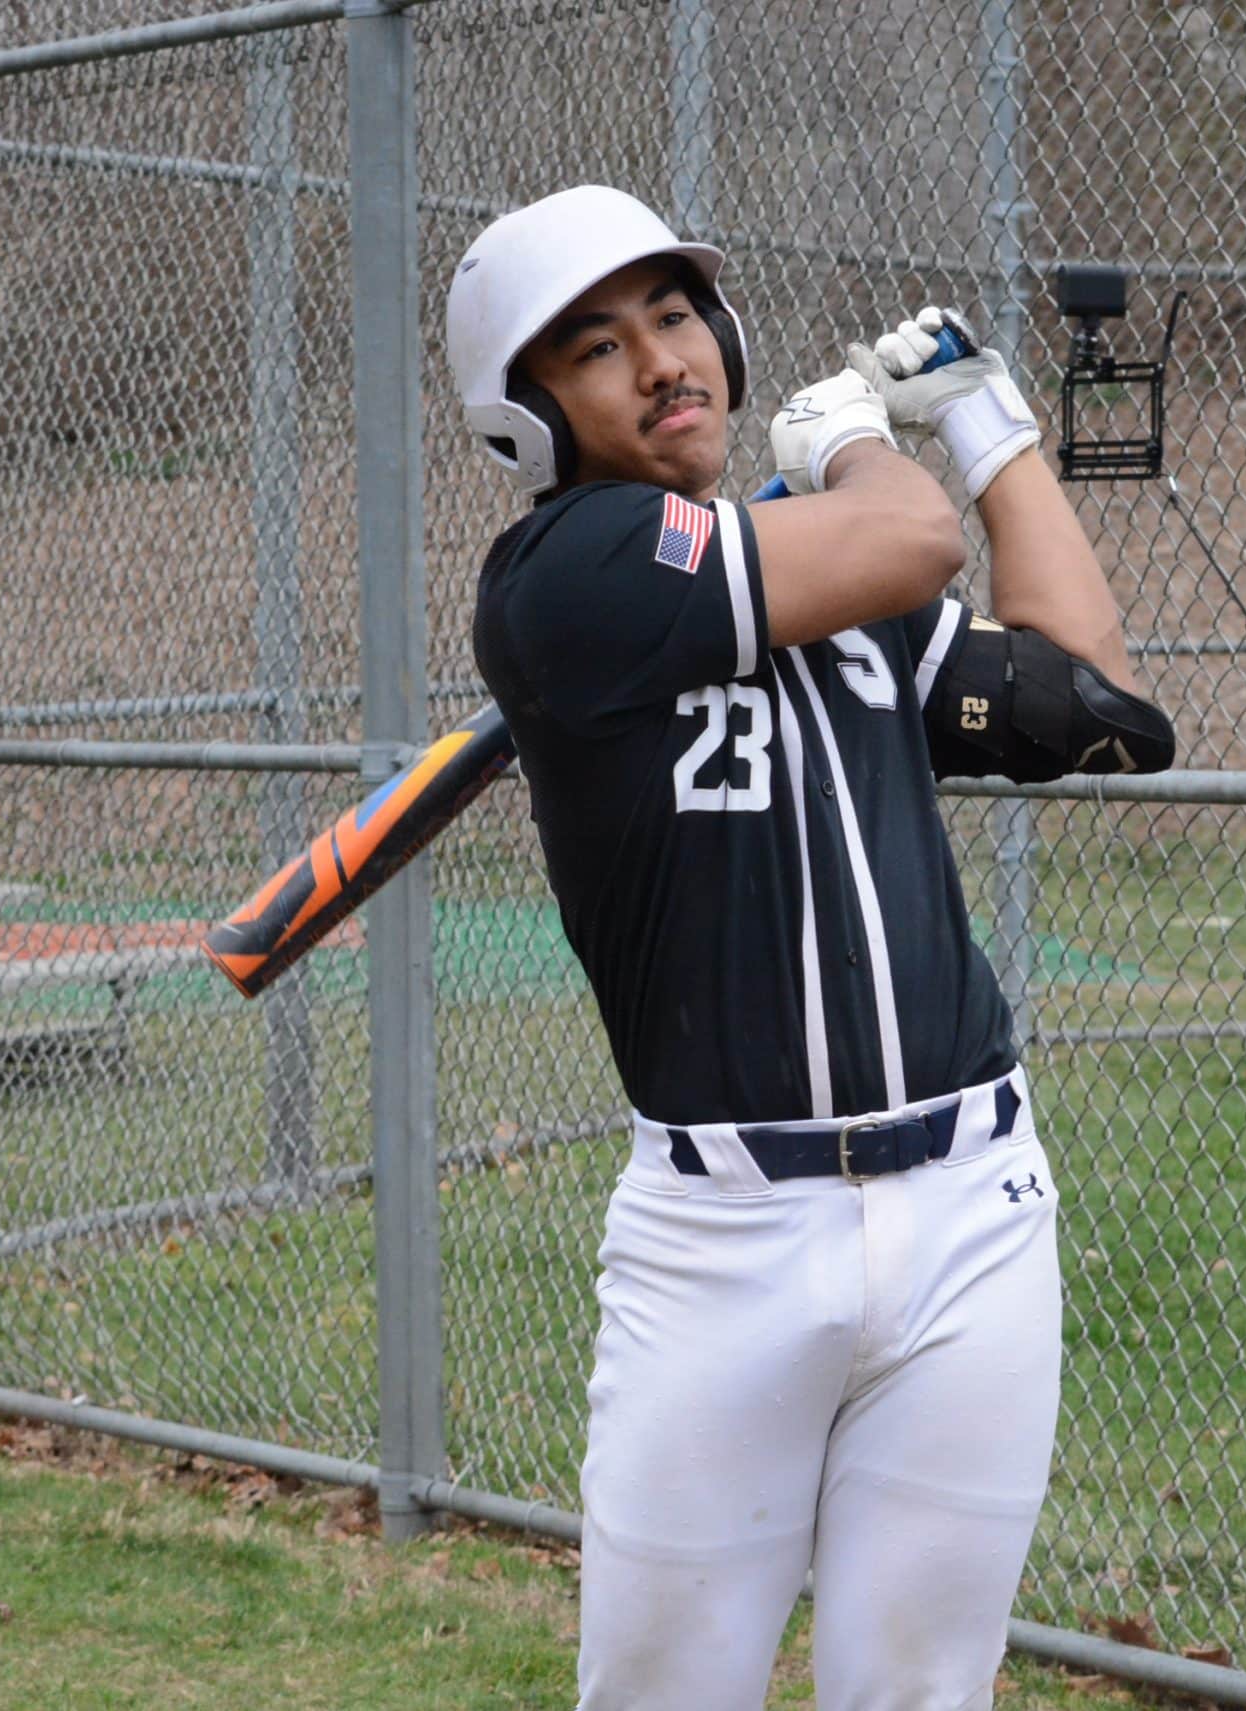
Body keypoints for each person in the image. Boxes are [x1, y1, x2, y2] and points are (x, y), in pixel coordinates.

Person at [450, 184, 1176, 1711]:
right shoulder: (564, 577)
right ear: (529, 417)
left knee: (923, 1692)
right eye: (596, 347)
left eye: (672, 316)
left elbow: (1099, 705)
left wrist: (986, 426)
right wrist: (858, 441)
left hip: (972, 1211)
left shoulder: (834, 584)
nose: (661, 361)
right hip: (727, 1245)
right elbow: (905, 532)